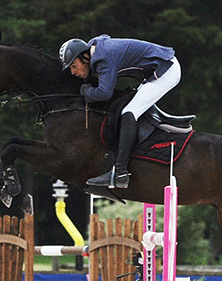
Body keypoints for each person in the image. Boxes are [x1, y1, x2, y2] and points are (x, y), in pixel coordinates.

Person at [59, 34, 181, 188]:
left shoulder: (103, 59)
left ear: (85, 56)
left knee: (129, 112)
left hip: (166, 71)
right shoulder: (96, 51)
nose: (73, 72)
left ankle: (121, 173)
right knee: (128, 106)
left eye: (74, 66)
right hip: (157, 69)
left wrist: (86, 91)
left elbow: (104, 93)